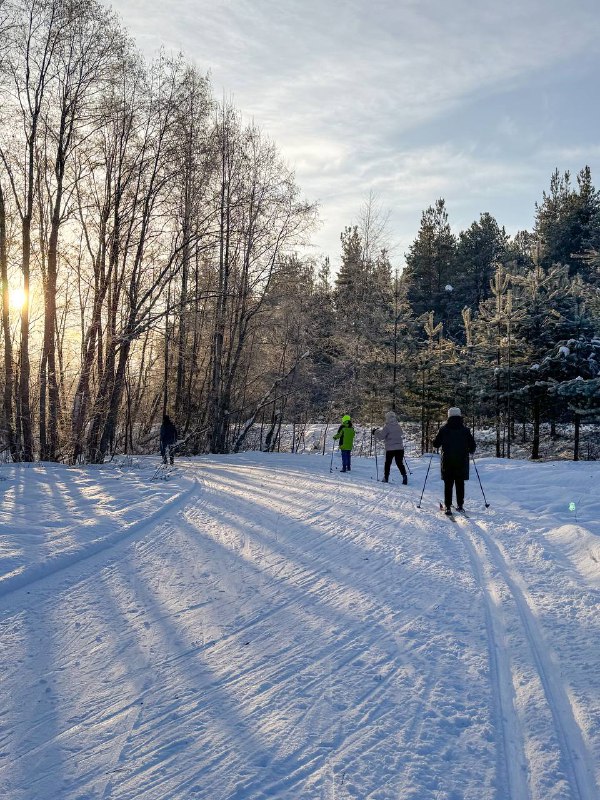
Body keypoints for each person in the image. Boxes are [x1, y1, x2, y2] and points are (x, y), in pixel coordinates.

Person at [432, 407, 476, 514]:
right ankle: (460, 505)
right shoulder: (465, 430)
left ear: (449, 416)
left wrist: (434, 440)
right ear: (460, 416)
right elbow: (473, 446)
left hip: (447, 461)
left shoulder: (444, 429)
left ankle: (447, 506)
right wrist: (469, 449)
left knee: (448, 484)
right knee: (460, 483)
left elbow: (436, 444)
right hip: (462, 461)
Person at [373, 411, 408, 484]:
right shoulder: (398, 426)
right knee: (399, 463)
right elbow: (401, 433)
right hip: (400, 448)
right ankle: (404, 476)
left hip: (390, 449)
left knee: (388, 463)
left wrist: (375, 432)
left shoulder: (387, 427)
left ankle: (386, 478)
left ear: (387, 418)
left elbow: (381, 436)